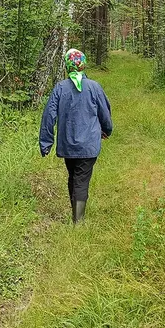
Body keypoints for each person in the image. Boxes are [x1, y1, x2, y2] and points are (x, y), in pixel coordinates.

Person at [40, 49, 114, 224]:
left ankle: (75, 214)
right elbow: (105, 113)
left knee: (73, 176)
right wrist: (107, 130)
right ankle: (78, 221)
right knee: (80, 180)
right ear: (84, 64)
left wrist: (46, 143)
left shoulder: (60, 88)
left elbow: (48, 116)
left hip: (67, 145)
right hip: (89, 146)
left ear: (67, 66)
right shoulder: (94, 87)